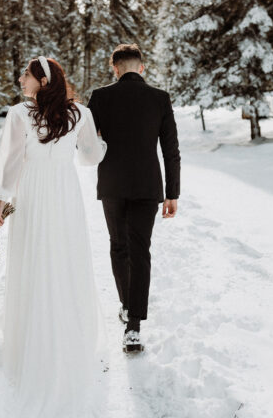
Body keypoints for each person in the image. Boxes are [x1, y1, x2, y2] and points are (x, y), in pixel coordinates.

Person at [0, 56, 107, 417]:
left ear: (41, 80)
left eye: (26, 75)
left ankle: (32, 339)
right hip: (64, 192)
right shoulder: (80, 114)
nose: (21, 79)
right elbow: (90, 158)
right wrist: (99, 143)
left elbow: (11, 161)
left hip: (33, 193)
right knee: (64, 257)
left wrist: (0, 203)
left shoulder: (19, 115)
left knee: (34, 258)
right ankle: (67, 334)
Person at [87, 43, 181, 353]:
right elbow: (170, 150)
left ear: (114, 68)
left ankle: (127, 306)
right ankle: (134, 327)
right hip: (147, 187)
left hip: (112, 184)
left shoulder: (100, 97)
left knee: (119, 246)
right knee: (140, 251)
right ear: (142, 67)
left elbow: (86, 145)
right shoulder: (159, 98)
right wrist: (172, 193)